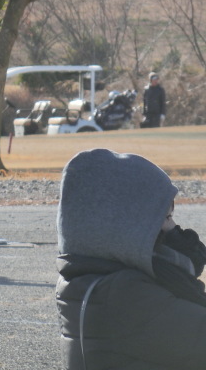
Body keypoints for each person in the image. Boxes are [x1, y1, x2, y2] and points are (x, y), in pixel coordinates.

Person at [56, 148, 206, 369]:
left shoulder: (85, 279)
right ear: (127, 226)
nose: (171, 228)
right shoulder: (124, 293)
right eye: (165, 218)